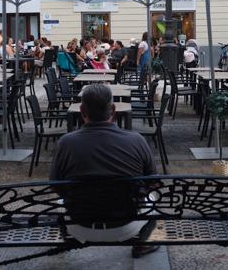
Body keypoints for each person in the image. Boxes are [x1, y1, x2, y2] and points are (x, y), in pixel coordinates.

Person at [49, 84, 159, 257]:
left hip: (80, 227)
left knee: (59, 203)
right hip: (125, 226)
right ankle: (141, 244)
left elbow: (55, 185)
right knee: (152, 198)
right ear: (113, 110)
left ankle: (68, 240)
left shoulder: (66, 143)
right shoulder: (136, 140)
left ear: (82, 110)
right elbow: (153, 181)